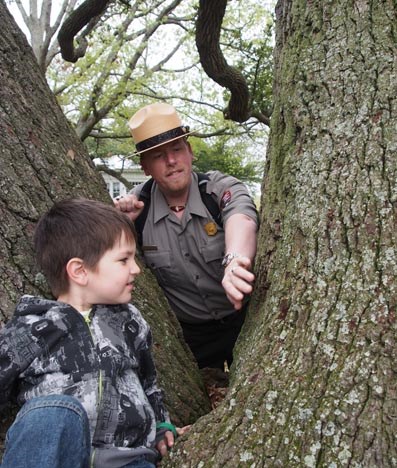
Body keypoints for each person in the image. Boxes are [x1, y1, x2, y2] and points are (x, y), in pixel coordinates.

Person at [0, 198, 185, 468]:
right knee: (51, 413)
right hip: (57, 457)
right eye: (124, 260)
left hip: (126, 460)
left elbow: (149, 382)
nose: (136, 269)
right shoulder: (30, 328)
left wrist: (161, 425)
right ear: (80, 271)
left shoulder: (129, 321)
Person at [115, 102, 258, 371]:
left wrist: (235, 260)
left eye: (177, 149)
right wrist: (119, 227)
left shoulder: (218, 189)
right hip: (193, 336)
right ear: (144, 166)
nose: (171, 161)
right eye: (158, 156)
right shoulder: (136, 210)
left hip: (247, 320)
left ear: (190, 152)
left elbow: (243, 215)